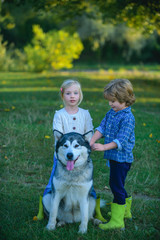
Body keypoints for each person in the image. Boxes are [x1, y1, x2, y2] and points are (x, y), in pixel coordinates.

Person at [33, 79, 105, 222]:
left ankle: (95, 211)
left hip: (80, 156)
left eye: (75, 93)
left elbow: (89, 132)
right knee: (52, 184)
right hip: (62, 156)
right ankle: (43, 208)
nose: (72, 96)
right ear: (62, 95)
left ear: (80, 95)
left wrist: (87, 144)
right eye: (68, 93)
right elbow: (58, 135)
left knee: (89, 186)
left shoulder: (85, 113)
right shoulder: (59, 114)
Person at [90, 78, 136, 230]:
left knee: (115, 186)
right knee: (119, 184)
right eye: (109, 101)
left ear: (125, 99)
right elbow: (102, 127)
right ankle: (125, 212)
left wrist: (103, 147)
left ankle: (117, 221)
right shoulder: (112, 112)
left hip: (122, 159)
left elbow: (120, 140)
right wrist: (92, 140)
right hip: (114, 158)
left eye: (114, 101)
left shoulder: (128, 118)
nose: (110, 104)